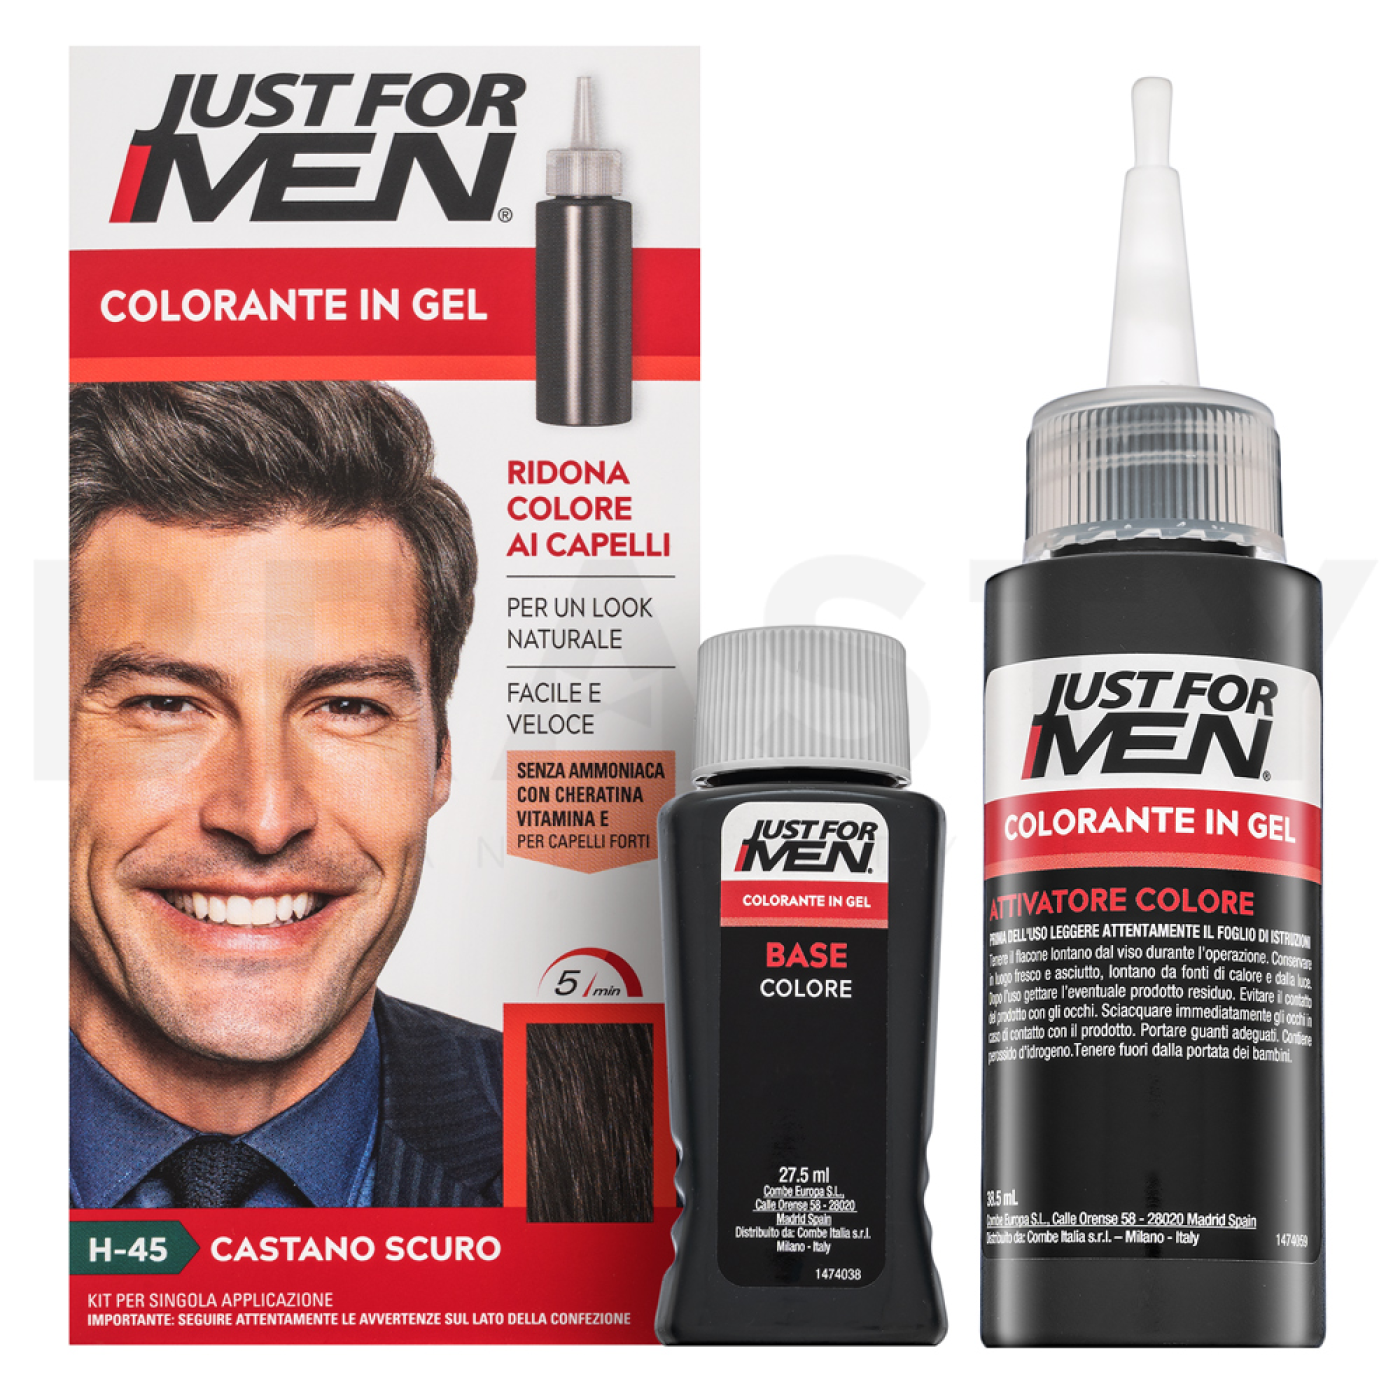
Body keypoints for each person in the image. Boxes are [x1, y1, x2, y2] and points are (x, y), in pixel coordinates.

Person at [68, 380, 501, 1209]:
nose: (265, 818)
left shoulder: (604, 1147)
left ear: (439, 759)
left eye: (349, 707)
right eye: (166, 704)